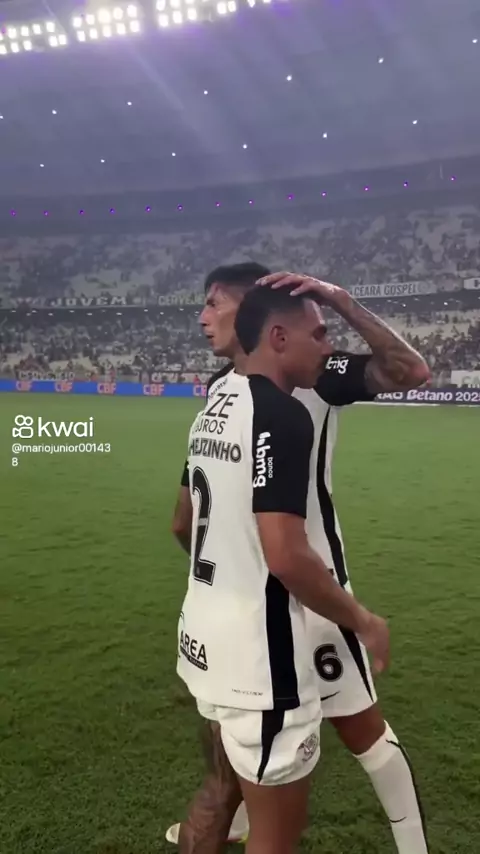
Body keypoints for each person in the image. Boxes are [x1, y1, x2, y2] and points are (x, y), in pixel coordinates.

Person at [169, 263, 431, 854]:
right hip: (275, 598)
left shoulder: (313, 374)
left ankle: (408, 843)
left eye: (216, 302)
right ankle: (252, 815)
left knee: (359, 729)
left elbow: (410, 371)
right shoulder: (230, 390)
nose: (204, 316)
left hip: (310, 598)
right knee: (264, 757)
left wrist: (342, 302)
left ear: (256, 312)